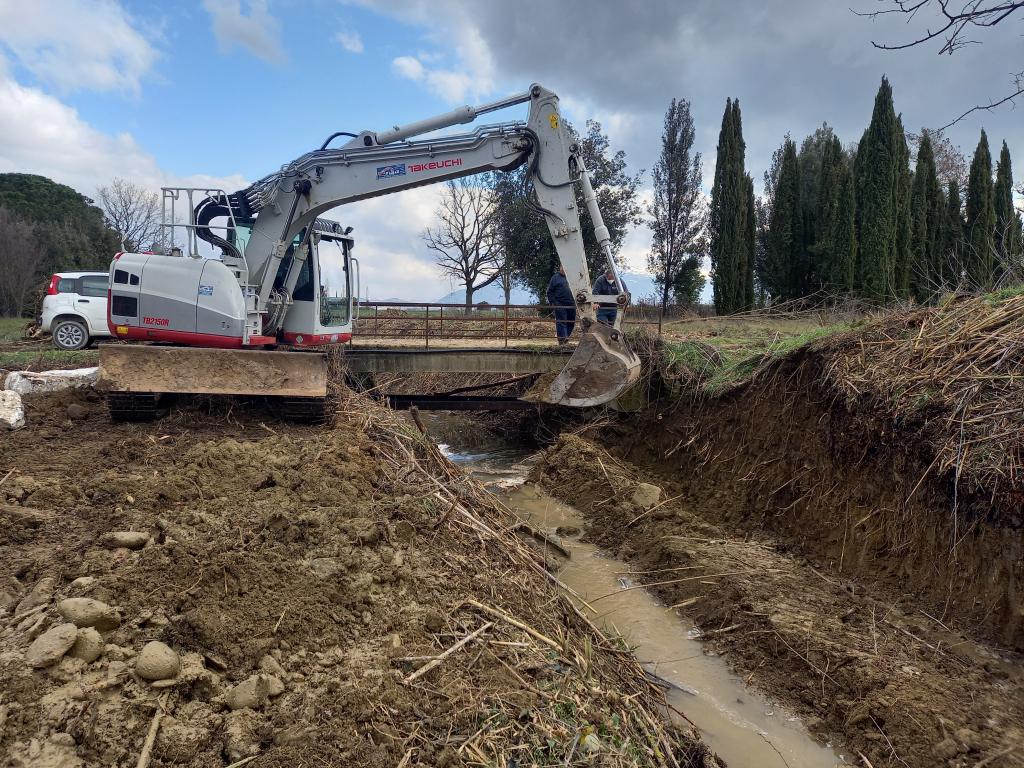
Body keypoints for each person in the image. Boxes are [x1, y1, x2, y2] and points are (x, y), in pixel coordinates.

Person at [546, 265, 576, 344]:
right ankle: (562, 339)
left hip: (571, 303)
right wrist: (552, 302)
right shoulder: (555, 278)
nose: (563, 269)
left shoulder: (572, 277)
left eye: (565, 267)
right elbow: (550, 291)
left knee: (571, 322)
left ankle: (566, 337)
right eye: (562, 267)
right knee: (561, 321)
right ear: (560, 268)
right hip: (559, 303)